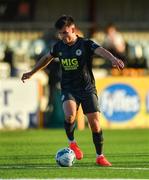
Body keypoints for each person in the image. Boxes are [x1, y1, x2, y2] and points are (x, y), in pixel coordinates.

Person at [21, 15, 124, 166]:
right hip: (69, 88)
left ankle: (100, 156)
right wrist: (32, 72)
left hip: (87, 89)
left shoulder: (86, 44)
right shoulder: (59, 47)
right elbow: (46, 58)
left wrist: (113, 59)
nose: (63, 36)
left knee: (95, 124)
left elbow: (101, 51)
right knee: (70, 116)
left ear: (73, 29)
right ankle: (72, 143)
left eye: (65, 32)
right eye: (60, 33)